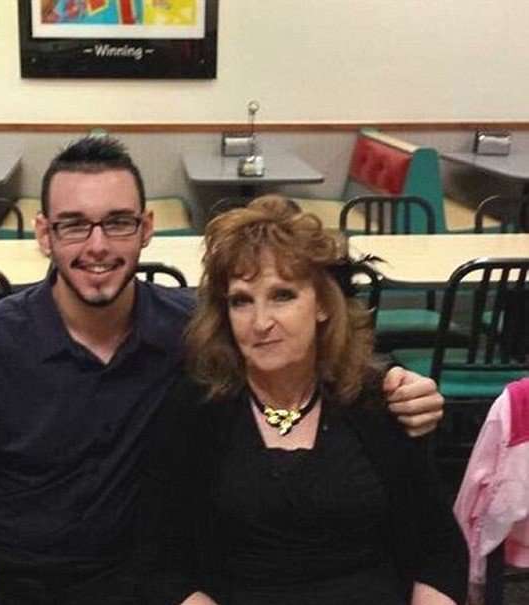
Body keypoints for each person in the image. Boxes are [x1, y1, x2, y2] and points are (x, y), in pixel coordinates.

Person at [0, 137, 445, 605]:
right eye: (74, 226)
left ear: (146, 228)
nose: (98, 246)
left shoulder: (192, 329)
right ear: (44, 234)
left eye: (118, 223)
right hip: (7, 579)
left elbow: (299, 348)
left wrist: (393, 381)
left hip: (141, 580)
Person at [140, 196, 468, 605]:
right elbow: (160, 558)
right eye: (241, 301)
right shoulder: (198, 406)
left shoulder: (376, 400)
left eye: (282, 295)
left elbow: (439, 548)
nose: (260, 322)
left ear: (324, 305)